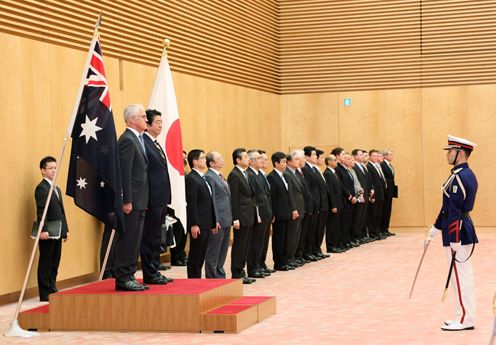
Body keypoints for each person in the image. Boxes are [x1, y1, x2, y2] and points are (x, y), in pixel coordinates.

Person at [428, 135, 478, 331]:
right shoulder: (458, 174)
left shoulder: (460, 176)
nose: (447, 154)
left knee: (461, 277)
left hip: (458, 231)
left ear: (461, 153)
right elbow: (447, 207)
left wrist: (454, 238)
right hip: (455, 229)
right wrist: (435, 227)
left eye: (450, 151)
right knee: (459, 277)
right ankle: (461, 315)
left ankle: (466, 319)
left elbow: (456, 210)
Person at [114, 104, 149, 291]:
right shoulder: (127, 140)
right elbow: (125, 173)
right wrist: (126, 200)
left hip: (140, 200)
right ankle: (123, 277)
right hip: (132, 201)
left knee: (135, 239)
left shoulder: (138, 139)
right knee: (128, 239)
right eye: (143, 116)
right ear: (132, 119)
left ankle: (130, 274)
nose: (146, 120)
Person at [140, 109, 173, 284]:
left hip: (160, 198)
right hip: (151, 199)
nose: (161, 125)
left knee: (156, 237)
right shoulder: (144, 142)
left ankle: (155, 269)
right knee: (149, 237)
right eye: (158, 122)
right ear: (148, 124)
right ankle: (149, 272)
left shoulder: (155, 143)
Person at [35, 156, 69, 301]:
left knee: (55, 261)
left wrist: (65, 230)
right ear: (43, 171)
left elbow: (61, 211)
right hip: (47, 232)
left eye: (55, 167)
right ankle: (44, 293)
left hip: (58, 230)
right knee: (46, 261)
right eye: (50, 168)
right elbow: (41, 211)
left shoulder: (57, 188)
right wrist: (43, 230)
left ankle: (52, 287)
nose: (54, 170)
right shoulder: (42, 188)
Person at [185, 149, 216, 278]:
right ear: (195, 161)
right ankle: (193, 280)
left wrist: (214, 222)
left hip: (206, 223)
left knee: (201, 255)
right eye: (202, 158)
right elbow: (192, 204)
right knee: (195, 255)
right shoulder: (192, 178)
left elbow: (208, 202)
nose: (205, 160)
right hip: (198, 224)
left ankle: (197, 279)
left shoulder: (202, 177)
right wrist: (194, 224)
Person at [228, 148, 256, 284]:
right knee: (239, 245)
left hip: (249, 215)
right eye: (245, 157)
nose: (248, 159)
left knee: (246, 245)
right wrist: (235, 218)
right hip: (241, 216)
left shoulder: (244, 173)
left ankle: (242, 271)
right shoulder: (234, 175)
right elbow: (233, 199)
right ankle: (236, 272)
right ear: (238, 160)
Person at [204, 151, 232, 278]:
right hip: (218, 219)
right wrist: (215, 219)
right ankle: (212, 276)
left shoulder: (220, 175)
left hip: (226, 217)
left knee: (223, 250)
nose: (222, 160)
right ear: (211, 163)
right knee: (214, 251)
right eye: (219, 159)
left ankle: (220, 274)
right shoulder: (209, 176)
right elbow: (212, 200)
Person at [246, 150, 273, 278]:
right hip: (258, 214)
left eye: (262, 158)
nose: (261, 160)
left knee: (262, 242)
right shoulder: (250, 174)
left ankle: (260, 264)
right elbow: (254, 197)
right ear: (251, 161)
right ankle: (253, 268)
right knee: (255, 243)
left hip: (265, 212)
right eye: (258, 158)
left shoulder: (259, 174)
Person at [381, 149, 397, 236]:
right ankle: (382, 229)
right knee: (384, 211)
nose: (392, 156)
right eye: (390, 154)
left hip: (390, 191)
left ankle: (386, 229)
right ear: (385, 156)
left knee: (388, 211)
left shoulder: (389, 165)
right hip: (386, 191)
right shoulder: (382, 165)